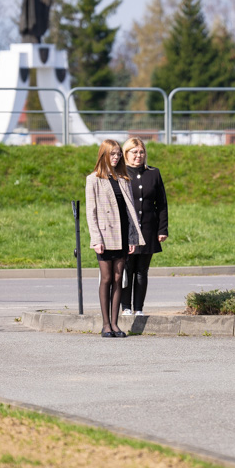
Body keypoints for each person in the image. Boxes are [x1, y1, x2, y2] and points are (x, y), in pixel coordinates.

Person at [85, 140, 145, 338]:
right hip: (104, 235)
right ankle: (105, 325)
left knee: (119, 279)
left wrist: (132, 238)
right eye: (113, 154)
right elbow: (91, 212)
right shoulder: (93, 179)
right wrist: (96, 239)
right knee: (107, 278)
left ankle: (115, 324)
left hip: (122, 234)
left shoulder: (123, 178)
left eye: (118, 154)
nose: (117, 157)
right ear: (104, 155)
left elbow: (130, 212)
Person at [120, 137, 168, 317]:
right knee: (127, 268)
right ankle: (126, 307)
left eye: (141, 152)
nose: (138, 156)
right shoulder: (121, 174)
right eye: (134, 152)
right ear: (126, 154)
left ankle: (138, 308)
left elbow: (161, 203)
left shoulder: (153, 173)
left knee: (142, 271)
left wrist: (162, 229)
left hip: (148, 228)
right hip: (127, 231)